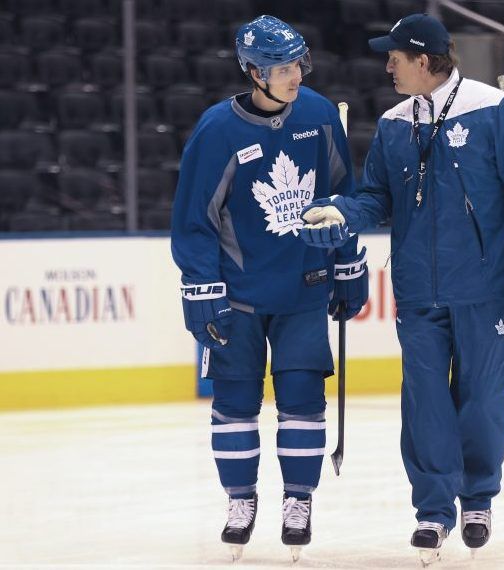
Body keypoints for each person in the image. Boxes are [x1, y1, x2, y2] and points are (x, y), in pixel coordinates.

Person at [299, 13, 504, 564]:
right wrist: (341, 212)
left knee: (483, 399)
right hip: (418, 290)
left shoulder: (492, 111)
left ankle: (478, 498)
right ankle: (433, 510)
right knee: (424, 403)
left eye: (394, 56)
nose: (387, 65)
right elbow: (376, 196)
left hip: (486, 288)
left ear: (424, 60)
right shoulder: (396, 123)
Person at [170, 15, 368, 562]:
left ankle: (298, 500)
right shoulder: (217, 130)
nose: (294, 76)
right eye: (281, 68)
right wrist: (201, 288)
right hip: (238, 295)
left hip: (305, 290)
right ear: (254, 73)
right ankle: (240, 500)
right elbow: (193, 220)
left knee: (303, 400)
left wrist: (348, 262)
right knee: (235, 402)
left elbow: (343, 198)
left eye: (298, 64)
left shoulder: (321, 115)